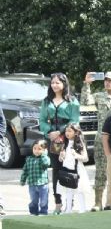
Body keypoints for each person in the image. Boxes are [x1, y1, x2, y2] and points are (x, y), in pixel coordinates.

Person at [39, 72, 80, 215]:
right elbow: (42, 120)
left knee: (69, 169)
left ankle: (70, 201)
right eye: (53, 82)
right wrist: (49, 132)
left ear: (64, 84)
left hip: (68, 137)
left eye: (58, 82)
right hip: (53, 139)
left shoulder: (72, 100)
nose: (55, 85)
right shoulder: (46, 101)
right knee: (56, 169)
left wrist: (61, 132)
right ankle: (58, 202)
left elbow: (74, 120)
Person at [82, 70, 111, 210]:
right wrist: (87, 84)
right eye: (106, 80)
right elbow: (86, 101)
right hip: (102, 138)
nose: (107, 82)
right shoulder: (99, 96)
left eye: (110, 80)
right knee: (100, 171)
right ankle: (98, 202)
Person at [59, 122, 90, 214]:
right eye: (66, 131)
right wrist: (61, 156)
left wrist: (76, 155)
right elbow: (61, 159)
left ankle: (82, 209)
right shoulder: (65, 144)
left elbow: (86, 158)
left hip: (77, 170)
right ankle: (68, 209)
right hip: (67, 170)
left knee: (79, 190)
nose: (67, 133)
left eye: (70, 131)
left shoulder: (79, 144)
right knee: (68, 190)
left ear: (76, 132)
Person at [20, 139, 50, 216]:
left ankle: (43, 212)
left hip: (43, 184)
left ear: (44, 150)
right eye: (35, 148)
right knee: (34, 200)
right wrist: (23, 180)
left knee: (44, 200)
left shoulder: (44, 158)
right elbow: (25, 170)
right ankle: (33, 211)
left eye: (39, 149)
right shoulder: (29, 159)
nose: (36, 151)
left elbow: (46, 164)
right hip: (32, 184)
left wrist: (43, 155)